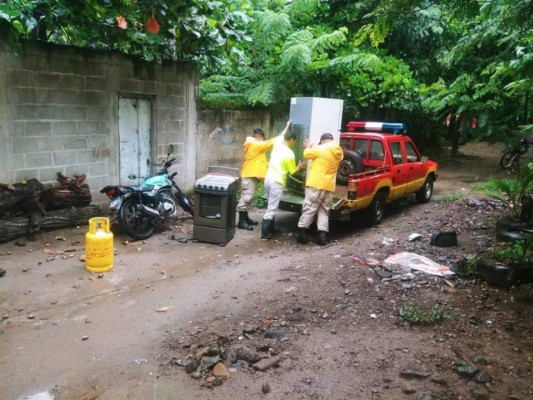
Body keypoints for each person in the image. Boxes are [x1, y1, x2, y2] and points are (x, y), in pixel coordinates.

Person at [237, 121, 292, 231]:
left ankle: (246, 219)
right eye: (263, 138)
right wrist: (286, 127)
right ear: (259, 137)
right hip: (249, 175)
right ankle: (241, 222)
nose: (264, 140)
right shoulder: (254, 144)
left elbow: (263, 161)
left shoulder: (256, 147)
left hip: (252, 175)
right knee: (247, 197)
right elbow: (274, 141)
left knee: (249, 197)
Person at [297, 133, 343, 246]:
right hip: (328, 186)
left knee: (310, 208)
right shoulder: (339, 151)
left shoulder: (321, 148)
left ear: (322, 141)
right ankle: (322, 236)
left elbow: (307, 154)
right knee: (324, 210)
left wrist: (308, 146)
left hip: (315, 184)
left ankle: (302, 234)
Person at [261, 125, 306, 240]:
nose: (294, 144)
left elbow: (281, 135)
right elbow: (292, 171)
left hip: (268, 179)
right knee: (272, 208)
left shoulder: (277, 144)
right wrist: (299, 166)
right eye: (294, 142)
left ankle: (271, 230)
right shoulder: (290, 154)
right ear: (291, 140)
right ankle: (265, 234)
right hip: (277, 182)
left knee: (271, 205)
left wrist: (286, 125)